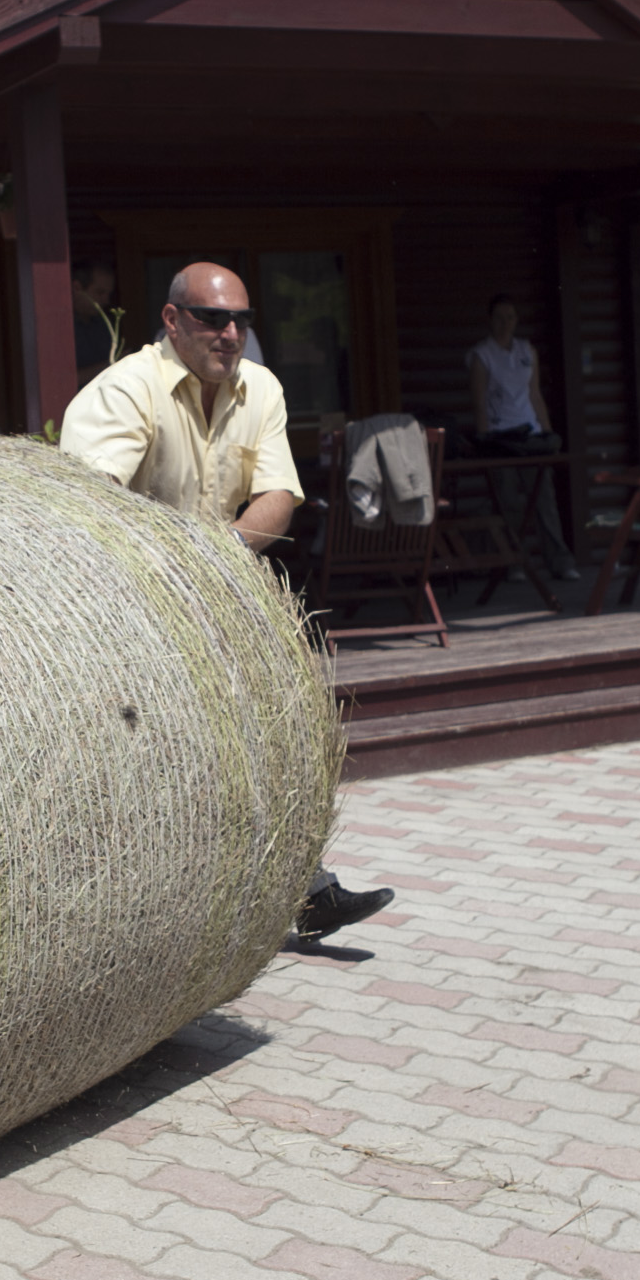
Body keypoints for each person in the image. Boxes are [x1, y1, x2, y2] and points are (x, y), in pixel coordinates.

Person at [60, 261, 394, 941]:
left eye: (240, 319)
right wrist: (185, 568)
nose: (230, 332)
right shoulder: (123, 391)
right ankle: (143, 920)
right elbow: (88, 511)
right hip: (127, 603)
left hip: (218, 586)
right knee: (157, 768)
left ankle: (306, 890)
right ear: (173, 320)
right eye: (213, 319)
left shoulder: (259, 387)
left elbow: (278, 495)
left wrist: (215, 559)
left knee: (270, 738)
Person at [465, 293, 581, 582]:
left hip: (530, 434)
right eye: (500, 318)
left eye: (510, 317)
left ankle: (560, 562)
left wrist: (548, 432)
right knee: (509, 502)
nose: (505, 323)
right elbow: (479, 402)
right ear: (490, 321)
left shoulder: (527, 351)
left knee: (544, 500)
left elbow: (535, 395)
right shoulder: (482, 355)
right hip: (501, 437)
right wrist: (484, 441)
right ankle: (514, 563)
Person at [71, 259, 118, 386]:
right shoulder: (61, 327)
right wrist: (113, 364)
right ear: (77, 288)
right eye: (100, 292)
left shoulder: (103, 324)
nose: (106, 300)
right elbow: (62, 380)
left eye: (108, 294)